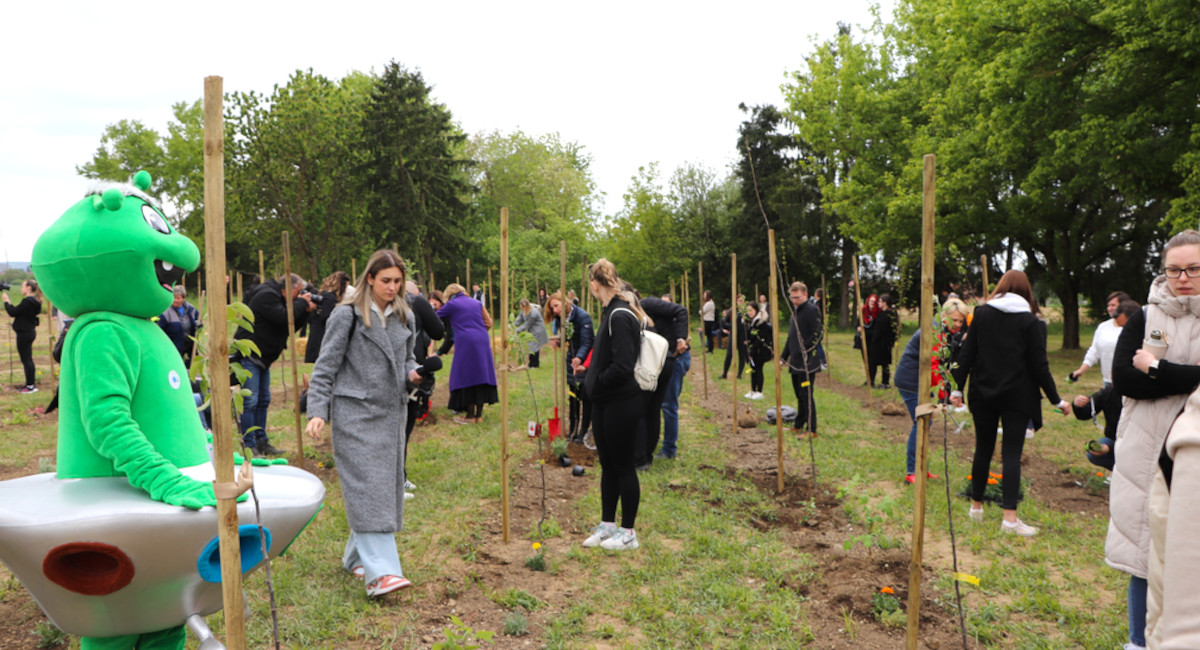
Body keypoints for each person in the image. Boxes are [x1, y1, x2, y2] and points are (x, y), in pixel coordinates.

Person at [305, 250, 421, 598]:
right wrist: (317, 411)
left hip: (391, 414)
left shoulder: (406, 317)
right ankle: (382, 574)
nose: (393, 287)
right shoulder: (347, 315)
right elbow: (326, 366)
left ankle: (355, 557)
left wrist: (414, 375)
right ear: (370, 278)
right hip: (354, 413)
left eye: (398, 281)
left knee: (380, 487)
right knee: (368, 486)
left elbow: (408, 360)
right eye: (386, 280)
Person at [1108, 230, 1200, 650]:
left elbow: (1146, 374)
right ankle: (1138, 642)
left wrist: (1158, 370)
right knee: (1146, 554)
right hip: (1146, 450)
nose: (1183, 277)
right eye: (1174, 269)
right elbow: (1125, 378)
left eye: (1194, 268)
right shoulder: (1146, 317)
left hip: (1194, 451)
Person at [950, 270, 1069, 536]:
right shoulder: (1030, 322)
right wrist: (1057, 400)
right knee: (1011, 453)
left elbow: (967, 354)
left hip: (982, 393)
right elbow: (1039, 365)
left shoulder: (980, 314)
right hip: (1017, 395)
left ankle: (976, 508)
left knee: (983, 448)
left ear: (1000, 288)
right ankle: (1009, 520)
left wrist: (956, 388)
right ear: (1026, 291)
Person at [580, 259, 648, 551]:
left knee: (623, 467)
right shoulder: (611, 312)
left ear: (595, 284)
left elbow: (622, 366)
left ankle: (629, 533)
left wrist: (598, 382)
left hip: (621, 403)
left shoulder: (620, 316)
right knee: (608, 466)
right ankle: (608, 526)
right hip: (605, 403)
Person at [233, 272, 316, 456]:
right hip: (251, 356)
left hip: (264, 358)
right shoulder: (266, 296)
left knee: (263, 400)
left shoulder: (279, 297)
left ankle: (262, 442)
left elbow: (290, 323)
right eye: (298, 293)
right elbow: (283, 317)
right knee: (251, 401)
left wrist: (306, 311)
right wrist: (302, 303)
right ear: (288, 290)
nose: (299, 296)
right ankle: (249, 444)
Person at [893, 299, 970, 483]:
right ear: (944, 316)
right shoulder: (935, 332)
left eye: (961, 321)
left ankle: (922, 468)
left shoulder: (946, 332)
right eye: (954, 320)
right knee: (921, 423)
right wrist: (944, 395)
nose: (958, 324)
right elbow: (934, 366)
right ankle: (912, 471)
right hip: (910, 380)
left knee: (926, 424)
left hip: (922, 381)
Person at [1071, 299, 1140, 472]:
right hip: (1118, 441)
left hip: (1141, 444)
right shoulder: (1111, 391)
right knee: (1093, 452)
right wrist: (1078, 404)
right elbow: (1088, 410)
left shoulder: (1153, 332)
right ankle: (1120, 471)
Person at [634, 286, 687, 466]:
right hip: (661, 361)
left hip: (674, 358)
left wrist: (681, 339)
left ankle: (669, 449)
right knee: (656, 405)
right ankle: (652, 448)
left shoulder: (647, 304)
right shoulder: (636, 314)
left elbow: (681, 310)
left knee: (667, 404)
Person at [436, 283, 497, 424]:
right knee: (481, 374)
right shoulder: (476, 303)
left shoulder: (452, 304)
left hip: (466, 341)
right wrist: (477, 331)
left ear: (449, 295)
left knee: (467, 375)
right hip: (482, 339)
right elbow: (488, 322)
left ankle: (470, 416)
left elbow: (434, 317)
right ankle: (479, 416)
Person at [545, 291, 595, 441]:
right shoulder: (563, 318)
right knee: (573, 395)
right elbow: (568, 337)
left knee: (585, 397)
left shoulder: (582, 316)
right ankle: (573, 428)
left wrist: (579, 358)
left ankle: (584, 430)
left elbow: (588, 342)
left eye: (556, 306)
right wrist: (559, 341)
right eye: (552, 308)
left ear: (564, 302)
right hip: (571, 360)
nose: (555, 310)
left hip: (585, 361)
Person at [780, 282, 823, 437]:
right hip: (795, 361)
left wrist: (804, 349)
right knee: (799, 394)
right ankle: (798, 424)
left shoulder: (811, 310)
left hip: (807, 362)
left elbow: (818, 334)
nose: (794, 300)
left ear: (805, 294)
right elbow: (790, 337)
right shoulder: (796, 311)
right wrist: (783, 357)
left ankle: (812, 429)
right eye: (792, 298)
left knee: (806, 394)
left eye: (797, 297)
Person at [1070, 290, 1133, 387]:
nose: (1110, 308)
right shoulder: (1103, 327)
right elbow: (1094, 351)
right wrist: (1081, 370)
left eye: (1113, 305)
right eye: (1108, 305)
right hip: (1108, 381)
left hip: (1128, 381)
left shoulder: (1131, 327)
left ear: (1123, 306)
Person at [3, 279, 43, 393]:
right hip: (29, 332)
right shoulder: (35, 302)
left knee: (26, 360)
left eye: (22, 286)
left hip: (24, 334)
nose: (21, 289)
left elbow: (13, 312)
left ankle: (30, 386)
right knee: (28, 359)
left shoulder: (27, 302)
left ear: (29, 288)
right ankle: (30, 384)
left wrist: (6, 301)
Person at [304, 271, 351, 364]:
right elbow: (325, 316)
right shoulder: (330, 297)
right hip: (321, 336)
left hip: (318, 334)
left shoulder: (324, 295)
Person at [156, 286, 201, 367]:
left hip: (190, 343)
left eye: (178, 298)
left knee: (192, 364)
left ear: (183, 299)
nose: (175, 300)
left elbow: (199, 319)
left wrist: (198, 324)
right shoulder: (166, 311)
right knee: (176, 365)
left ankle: (190, 378)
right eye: (174, 298)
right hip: (174, 344)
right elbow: (159, 329)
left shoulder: (190, 308)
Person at [866, 293, 899, 389]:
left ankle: (883, 382)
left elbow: (881, 330)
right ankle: (877, 381)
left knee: (881, 363)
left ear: (885, 303)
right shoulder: (884, 313)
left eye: (880, 301)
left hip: (882, 343)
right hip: (882, 343)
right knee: (879, 363)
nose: (878, 303)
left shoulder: (888, 315)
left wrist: (874, 337)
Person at [743, 302, 772, 400]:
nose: (749, 313)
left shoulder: (760, 322)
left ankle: (759, 391)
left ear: (756, 310)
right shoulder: (751, 322)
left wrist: (752, 351)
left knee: (758, 369)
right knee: (753, 369)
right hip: (753, 350)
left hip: (760, 351)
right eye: (748, 311)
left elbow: (760, 339)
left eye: (751, 310)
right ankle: (753, 390)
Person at [514, 298, 549, 368]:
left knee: (534, 346)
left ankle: (534, 364)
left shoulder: (533, 313)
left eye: (522, 307)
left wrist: (517, 330)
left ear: (525, 306)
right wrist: (514, 324)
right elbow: (520, 318)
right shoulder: (524, 310)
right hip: (532, 330)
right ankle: (533, 363)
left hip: (538, 330)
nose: (521, 309)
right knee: (532, 346)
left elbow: (527, 324)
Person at [720, 296, 748, 380]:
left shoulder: (745, 311)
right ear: (736, 301)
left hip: (742, 336)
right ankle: (725, 373)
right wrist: (731, 326)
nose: (740, 302)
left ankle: (739, 374)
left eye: (742, 300)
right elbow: (724, 321)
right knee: (729, 354)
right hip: (733, 335)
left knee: (741, 355)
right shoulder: (732, 310)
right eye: (739, 300)